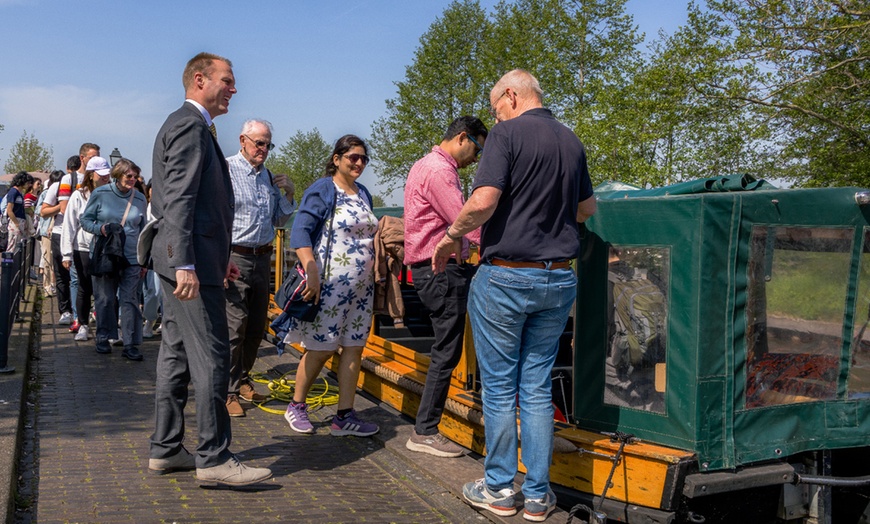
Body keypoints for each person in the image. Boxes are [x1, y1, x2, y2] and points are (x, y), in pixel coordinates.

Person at [432, 70, 597, 522]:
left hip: (506, 276)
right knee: (537, 388)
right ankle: (540, 496)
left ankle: (500, 490)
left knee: (501, 388)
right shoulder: (571, 140)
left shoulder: (506, 135)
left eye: (495, 107)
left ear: (511, 95)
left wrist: (450, 238)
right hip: (559, 278)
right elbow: (587, 209)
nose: (495, 117)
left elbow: (484, 201)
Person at [148, 52, 271, 486]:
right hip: (188, 266)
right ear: (200, 80)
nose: (234, 88)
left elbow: (197, 204)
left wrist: (218, 262)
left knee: (177, 355)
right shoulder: (190, 126)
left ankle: (166, 450)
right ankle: (215, 457)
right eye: (228, 80)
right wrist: (186, 263)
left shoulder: (188, 125)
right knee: (215, 355)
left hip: (193, 261)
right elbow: (179, 199)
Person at [282, 134, 379, 438]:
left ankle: (344, 416)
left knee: (353, 348)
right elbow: (300, 232)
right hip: (329, 286)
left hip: (361, 291)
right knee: (321, 348)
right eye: (353, 157)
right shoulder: (324, 189)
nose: (359, 163)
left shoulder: (363, 192)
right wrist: (312, 272)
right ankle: (296, 406)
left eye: (364, 158)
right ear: (337, 159)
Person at [403, 116, 487, 458]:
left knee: (445, 348)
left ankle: (426, 426)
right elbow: (465, 219)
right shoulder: (440, 171)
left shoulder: (425, 165)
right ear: (463, 138)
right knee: (447, 351)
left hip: (431, 271)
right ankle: (425, 431)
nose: (477, 157)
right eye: (477, 148)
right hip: (440, 270)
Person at [225, 119, 295, 417]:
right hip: (234, 258)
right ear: (243, 140)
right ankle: (225, 391)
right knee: (233, 326)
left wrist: (289, 194)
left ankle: (243, 380)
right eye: (259, 143)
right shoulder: (225, 170)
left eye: (268, 144)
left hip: (262, 257)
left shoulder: (267, 177)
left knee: (255, 327)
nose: (264, 150)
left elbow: (278, 221)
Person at [79, 158, 148, 359]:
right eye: (129, 176)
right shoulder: (101, 194)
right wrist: (100, 229)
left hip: (131, 258)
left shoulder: (140, 199)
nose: (133, 180)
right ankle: (103, 338)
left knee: (129, 300)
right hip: (105, 257)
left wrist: (144, 260)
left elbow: (143, 229)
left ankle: (130, 344)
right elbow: (85, 220)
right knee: (105, 299)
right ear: (117, 176)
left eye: (135, 176)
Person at [61, 157, 111, 342]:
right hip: (82, 247)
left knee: (105, 290)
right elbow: (69, 225)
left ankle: (105, 327)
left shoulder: (110, 194)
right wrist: (66, 253)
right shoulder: (78, 196)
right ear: (91, 175)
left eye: (108, 175)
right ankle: (82, 324)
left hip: (105, 249)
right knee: (83, 287)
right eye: (102, 175)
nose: (106, 178)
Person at [40, 155, 85, 325]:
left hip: (80, 233)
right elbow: (44, 211)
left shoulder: (88, 186)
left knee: (80, 274)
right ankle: (65, 310)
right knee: (62, 274)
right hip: (60, 231)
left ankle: (80, 310)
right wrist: (63, 205)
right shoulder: (58, 186)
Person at [37, 170, 64, 297]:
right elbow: (39, 210)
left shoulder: (65, 195)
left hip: (60, 230)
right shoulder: (45, 194)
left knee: (57, 259)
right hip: (47, 230)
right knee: (47, 258)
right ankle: (47, 285)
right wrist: (56, 207)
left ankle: (54, 284)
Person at [4, 171, 34, 250]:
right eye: (27, 183)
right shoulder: (13, 192)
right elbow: (9, 209)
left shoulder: (20, 193)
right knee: (12, 247)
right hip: (15, 221)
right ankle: (8, 262)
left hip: (21, 221)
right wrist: (17, 223)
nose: (29, 185)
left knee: (18, 247)